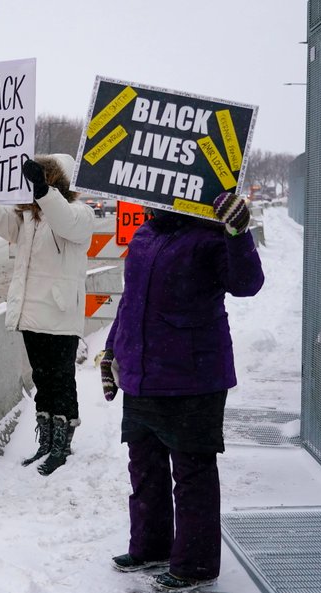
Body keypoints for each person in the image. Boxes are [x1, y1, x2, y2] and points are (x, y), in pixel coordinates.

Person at [102, 193, 264, 592]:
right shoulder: (143, 235)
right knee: (145, 467)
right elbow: (130, 304)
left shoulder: (210, 236)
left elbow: (247, 284)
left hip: (194, 376)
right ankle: (151, 546)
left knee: (192, 474)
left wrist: (237, 232)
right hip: (142, 374)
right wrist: (111, 352)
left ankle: (195, 565)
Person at [0, 154, 95, 476]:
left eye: (42, 178)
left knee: (61, 381)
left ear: (57, 182)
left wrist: (44, 192)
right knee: (42, 380)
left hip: (59, 314)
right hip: (31, 313)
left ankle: (62, 446)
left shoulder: (79, 214)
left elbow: (66, 222)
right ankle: (46, 442)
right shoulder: (27, 220)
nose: (33, 186)